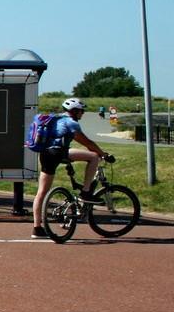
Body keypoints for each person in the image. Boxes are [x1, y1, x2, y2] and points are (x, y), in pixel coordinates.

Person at [31, 98, 114, 239]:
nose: (83, 113)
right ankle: (86, 192)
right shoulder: (71, 123)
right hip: (59, 153)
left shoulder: (55, 119)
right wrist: (103, 154)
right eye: (81, 111)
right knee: (94, 157)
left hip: (45, 154)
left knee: (41, 192)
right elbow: (88, 143)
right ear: (75, 111)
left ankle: (37, 229)